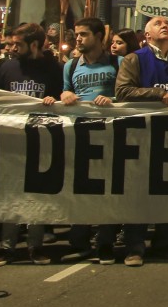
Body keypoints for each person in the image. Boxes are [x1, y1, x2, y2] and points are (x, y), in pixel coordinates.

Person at [112, 16, 168, 266]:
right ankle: (134, 246)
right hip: (143, 135)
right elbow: (123, 91)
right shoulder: (134, 59)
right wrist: (157, 93)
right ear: (147, 35)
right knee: (140, 192)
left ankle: (165, 242)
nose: (165, 25)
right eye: (157, 23)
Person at [0, 23, 63, 267]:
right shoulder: (7, 67)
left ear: (35, 45)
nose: (13, 48)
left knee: (37, 194)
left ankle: (35, 246)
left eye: (18, 45)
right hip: (11, 140)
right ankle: (6, 247)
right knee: (10, 193)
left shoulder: (53, 68)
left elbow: (65, 96)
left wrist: (57, 100)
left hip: (41, 139)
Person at [47, 17, 120, 264]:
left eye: (84, 34)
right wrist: (65, 94)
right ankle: (79, 241)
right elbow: (66, 91)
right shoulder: (70, 66)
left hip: (110, 133)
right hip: (79, 132)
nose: (77, 38)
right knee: (79, 187)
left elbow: (128, 94)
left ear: (100, 37)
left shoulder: (117, 63)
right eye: (77, 34)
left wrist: (114, 101)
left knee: (107, 190)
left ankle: (106, 241)